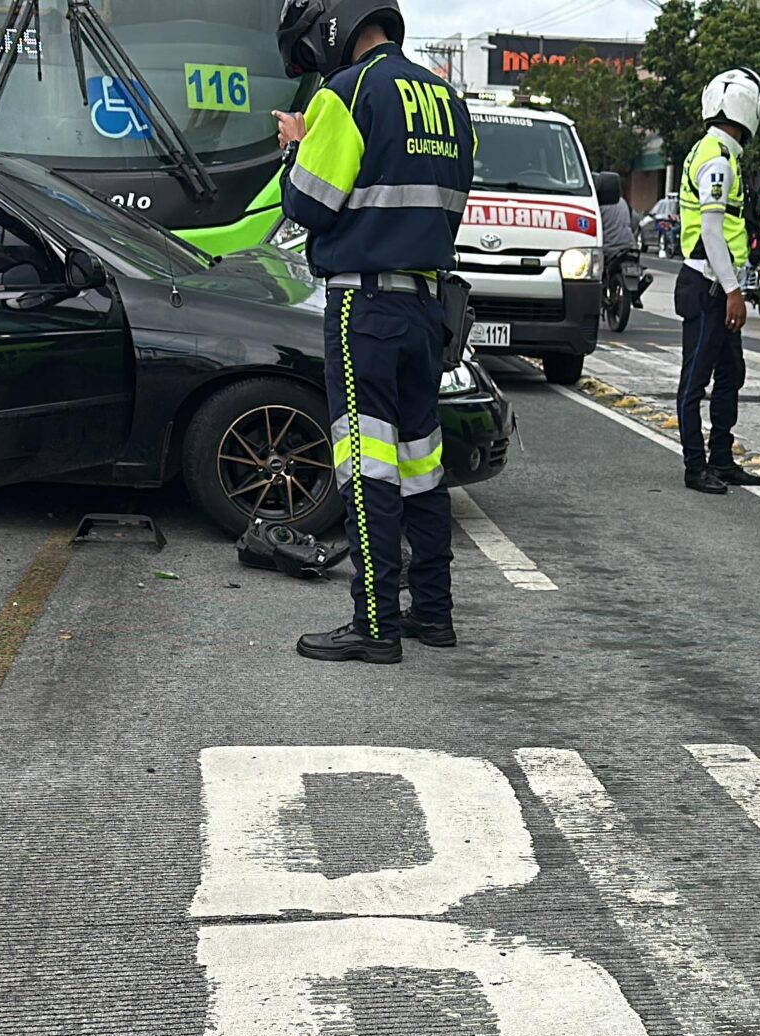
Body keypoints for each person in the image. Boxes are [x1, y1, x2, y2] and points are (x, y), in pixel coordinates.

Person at [272, 0, 474, 664]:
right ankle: (433, 614)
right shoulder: (446, 99)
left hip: (365, 310)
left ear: (335, 28)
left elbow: (308, 204)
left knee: (365, 467)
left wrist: (296, 147)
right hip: (425, 309)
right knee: (421, 469)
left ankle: (376, 624)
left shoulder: (346, 93)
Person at [674, 68, 760, 497]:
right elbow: (711, 233)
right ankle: (696, 467)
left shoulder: (717, 152)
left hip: (718, 284)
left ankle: (722, 459)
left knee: (731, 373)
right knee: (695, 380)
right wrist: (733, 292)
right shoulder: (717, 160)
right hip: (709, 286)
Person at [593, 171, 643, 306]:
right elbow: (636, 220)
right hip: (630, 246)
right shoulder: (623, 203)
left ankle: (600, 294)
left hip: (609, 249)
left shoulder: (597, 204)